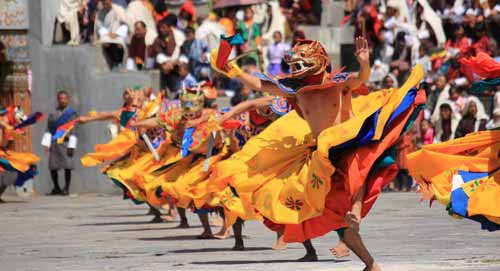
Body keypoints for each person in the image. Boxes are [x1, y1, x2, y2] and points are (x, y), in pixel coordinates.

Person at [211, 36, 425, 269]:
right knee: (330, 213)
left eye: (301, 60)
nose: (295, 66)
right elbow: (258, 85)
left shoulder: (338, 82)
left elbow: (361, 78)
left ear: (318, 60)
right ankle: (370, 264)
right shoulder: (294, 89)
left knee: (356, 174)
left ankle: (355, 210)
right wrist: (231, 69)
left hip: (348, 141)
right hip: (321, 154)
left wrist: (364, 62)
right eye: (294, 62)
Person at [0, 106, 41, 202]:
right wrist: (6, 125)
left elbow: (8, 141)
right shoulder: (4, 119)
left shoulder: (11, 126)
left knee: (21, 167)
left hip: (3, 152)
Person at [41, 90, 78, 196]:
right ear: (58, 100)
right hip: (55, 143)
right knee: (53, 166)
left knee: (68, 166)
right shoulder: (53, 114)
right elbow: (49, 128)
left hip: (66, 142)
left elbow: (73, 130)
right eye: (60, 98)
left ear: (67, 100)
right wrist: (46, 143)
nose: (62, 100)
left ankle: (66, 188)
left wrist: (72, 145)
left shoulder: (71, 113)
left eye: (64, 98)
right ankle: (56, 187)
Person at [95, 0, 129, 70]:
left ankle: (119, 62)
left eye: (107, 4)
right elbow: (99, 26)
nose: (105, 6)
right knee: (105, 43)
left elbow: (125, 24)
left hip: (119, 34)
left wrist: (117, 33)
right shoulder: (100, 13)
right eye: (104, 4)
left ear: (110, 1)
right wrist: (108, 33)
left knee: (119, 44)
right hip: (106, 35)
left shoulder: (119, 10)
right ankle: (109, 63)